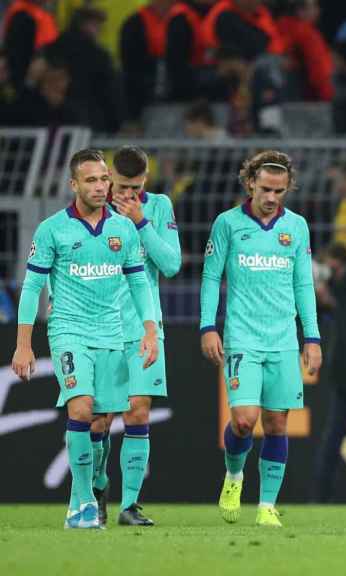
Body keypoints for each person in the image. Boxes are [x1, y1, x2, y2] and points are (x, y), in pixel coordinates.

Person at [10, 148, 159, 529]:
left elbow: (139, 281)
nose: (99, 186)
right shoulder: (52, 230)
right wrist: (24, 343)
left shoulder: (123, 228)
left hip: (112, 335)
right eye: (90, 180)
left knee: (100, 421)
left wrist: (149, 330)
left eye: (103, 179)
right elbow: (32, 288)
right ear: (73, 184)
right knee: (80, 410)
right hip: (69, 332)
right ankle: (81, 505)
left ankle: (98, 483)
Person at [200, 150, 322, 527]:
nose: (272, 198)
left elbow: (304, 283)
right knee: (243, 420)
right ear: (250, 182)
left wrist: (312, 337)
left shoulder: (297, 227)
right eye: (266, 189)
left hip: (284, 340)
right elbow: (209, 277)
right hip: (242, 338)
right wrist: (207, 326)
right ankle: (234, 476)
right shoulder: (228, 224)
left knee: (276, 423)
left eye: (279, 191)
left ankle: (267, 505)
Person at [86, 146, 182, 527]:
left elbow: (172, 265)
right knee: (98, 419)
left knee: (138, 409)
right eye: (122, 187)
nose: (128, 195)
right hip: (101, 328)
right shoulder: (92, 208)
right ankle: (97, 488)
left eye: (136, 187)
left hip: (144, 328)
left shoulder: (157, 207)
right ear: (109, 179)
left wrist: (142, 221)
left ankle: (129, 505)